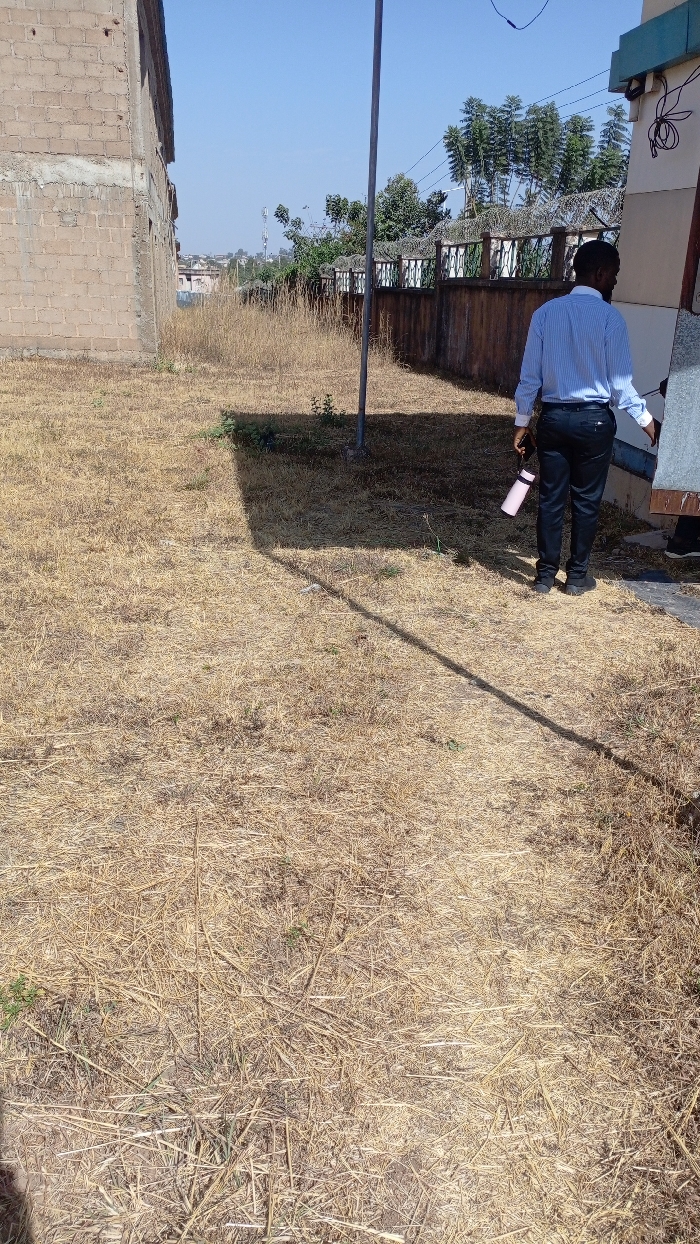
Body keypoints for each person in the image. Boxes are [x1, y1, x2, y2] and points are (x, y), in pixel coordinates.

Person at [513, 239, 656, 595]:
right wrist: (646, 421)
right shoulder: (611, 319)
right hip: (594, 423)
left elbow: (529, 376)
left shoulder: (545, 314)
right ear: (600, 273)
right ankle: (577, 577)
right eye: (615, 275)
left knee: (551, 498)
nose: (615, 282)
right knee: (587, 500)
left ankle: (545, 576)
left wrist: (522, 421)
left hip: (554, 420)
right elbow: (620, 385)